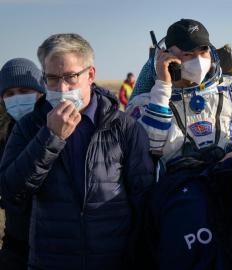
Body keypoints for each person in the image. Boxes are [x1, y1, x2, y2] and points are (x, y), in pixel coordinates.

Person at [0, 33, 154, 270]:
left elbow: (143, 201)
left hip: (113, 260)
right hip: (51, 261)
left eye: (70, 77)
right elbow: (12, 191)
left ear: (90, 75)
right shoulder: (29, 126)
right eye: (52, 79)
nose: (62, 88)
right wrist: (50, 138)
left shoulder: (124, 128)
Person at [127, 18, 232, 169]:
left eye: (203, 51)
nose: (198, 60)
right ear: (167, 57)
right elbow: (145, 152)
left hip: (231, 177)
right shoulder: (146, 102)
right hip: (178, 186)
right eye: (188, 54)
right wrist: (163, 88)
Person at [0, 58, 45, 270]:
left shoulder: (55, 128)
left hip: (52, 244)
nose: (17, 98)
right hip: (16, 241)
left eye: (24, 90)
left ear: (41, 91)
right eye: (9, 94)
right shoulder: (5, 134)